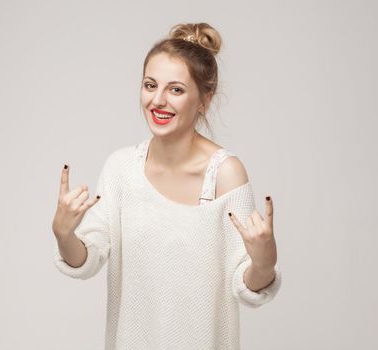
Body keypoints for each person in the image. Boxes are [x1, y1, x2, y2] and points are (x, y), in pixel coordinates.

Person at [52, 22, 282, 350]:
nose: (157, 101)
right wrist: (64, 234)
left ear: (204, 99)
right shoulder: (121, 169)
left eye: (175, 89)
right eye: (150, 85)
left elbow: (247, 286)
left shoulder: (225, 174)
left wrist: (263, 262)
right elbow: (87, 259)